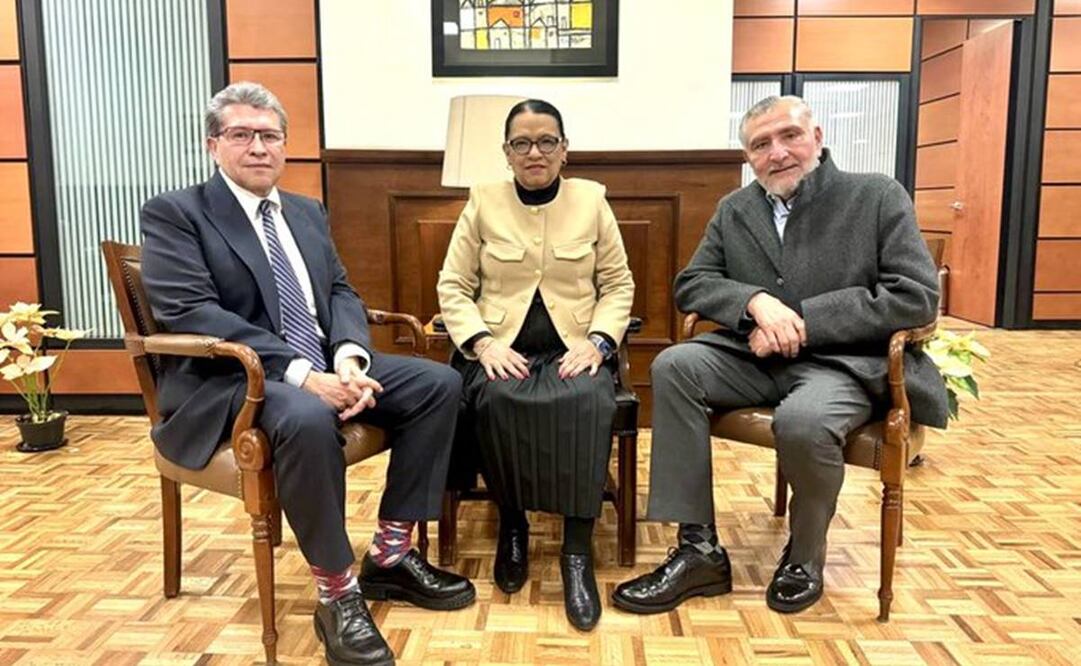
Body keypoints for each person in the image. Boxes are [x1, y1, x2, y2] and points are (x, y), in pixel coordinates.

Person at [140, 82, 475, 666]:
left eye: (270, 135)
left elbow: (339, 290)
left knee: (439, 384)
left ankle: (391, 557)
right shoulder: (177, 214)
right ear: (213, 145)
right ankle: (337, 592)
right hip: (228, 381)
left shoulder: (305, 211)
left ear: (285, 146)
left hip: (319, 361)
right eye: (242, 135)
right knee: (305, 414)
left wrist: (347, 357)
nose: (259, 147)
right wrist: (302, 373)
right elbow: (193, 312)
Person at [612, 95, 947, 616]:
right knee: (674, 366)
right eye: (760, 144)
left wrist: (805, 322)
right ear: (749, 157)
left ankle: (805, 555)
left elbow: (916, 296)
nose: (777, 153)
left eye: (789, 135)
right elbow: (693, 283)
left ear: (816, 136)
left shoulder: (876, 196)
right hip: (753, 356)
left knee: (805, 422)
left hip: (842, 364)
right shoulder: (735, 210)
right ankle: (699, 550)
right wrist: (753, 302)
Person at [437, 99, 634, 631]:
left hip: (575, 347)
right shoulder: (482, 202)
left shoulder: (592, 200)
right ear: (506, 153)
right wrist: (482, 344)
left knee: (585, 400)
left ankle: (576, 551)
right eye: (521, 143)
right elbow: (452, 285)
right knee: (495, 400)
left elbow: (618, 284)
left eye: (547, 141)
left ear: (564, 150)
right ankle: (514, 527)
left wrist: (599, 342)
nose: (535, 152)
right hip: (503, 348)